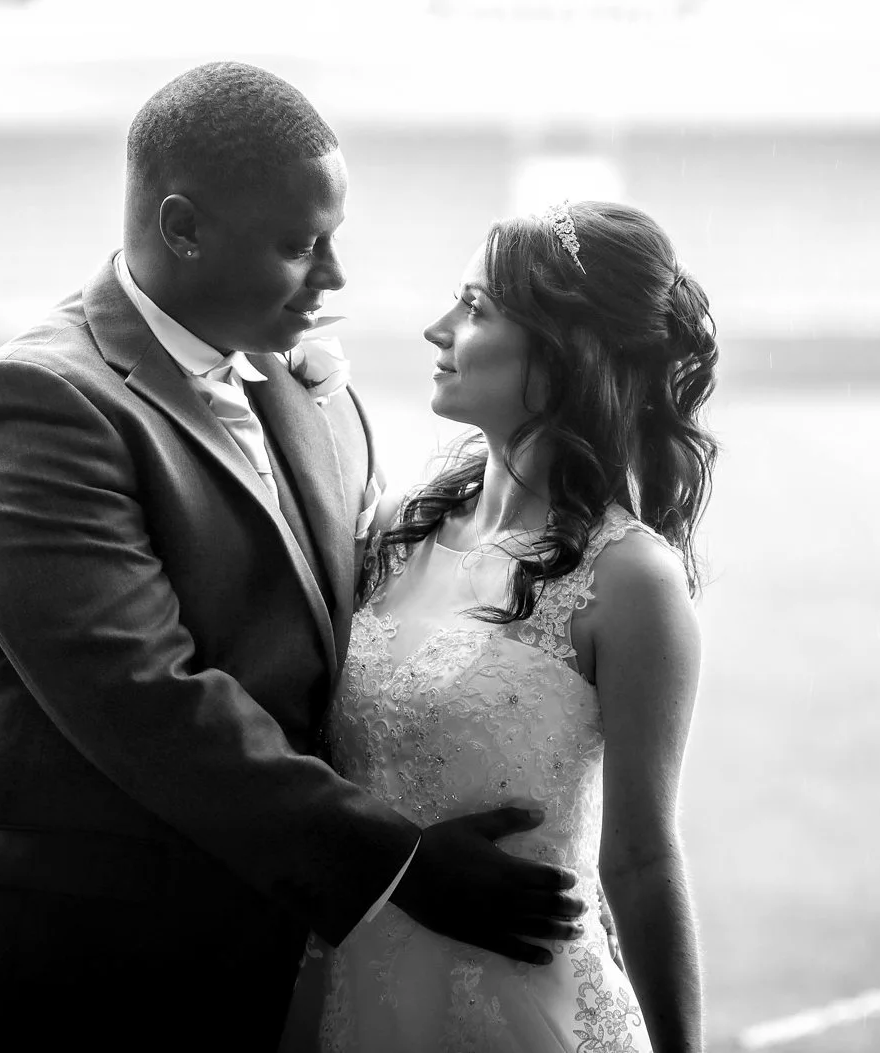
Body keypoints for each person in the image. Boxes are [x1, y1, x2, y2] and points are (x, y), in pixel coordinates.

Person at [0, 62, 586, 1052]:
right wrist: (396, 864)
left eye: (332, 240)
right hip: (54, 969)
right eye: (297, 246)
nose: (333, 280)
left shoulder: (305, 387)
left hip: (254, 959)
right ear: (183, 228)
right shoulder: (35, 406)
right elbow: (143, 696)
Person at [283, 200, 717, 1052]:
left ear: (564, 357)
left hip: (520, 1013)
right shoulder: (399, 526)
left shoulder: (630, 580)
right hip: (351, 1000)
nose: (437, 328)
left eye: (476, 309)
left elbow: (641, 860)